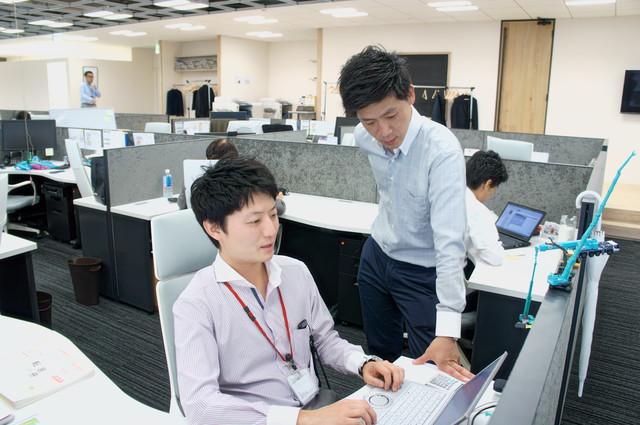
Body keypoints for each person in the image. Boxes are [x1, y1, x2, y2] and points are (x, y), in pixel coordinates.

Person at [174, 157, 404, 425]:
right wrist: (300, 419)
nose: (270, 230)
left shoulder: (295, 272)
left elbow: (325, 340)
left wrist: (363, 363)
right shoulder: (196, 303)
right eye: (254, 221)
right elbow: (201, 406)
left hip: (314, 407)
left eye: (273, 215)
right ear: (214, 228)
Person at [338, 45, 473, 381]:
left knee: (434, 367)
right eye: (370, 121)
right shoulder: (363, 136)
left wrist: (448, 329)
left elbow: (450, 241)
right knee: (380, 356)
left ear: (410, 95)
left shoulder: (441, 151)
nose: (383, 131)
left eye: (391, 115)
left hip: (422, 271)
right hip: (376, 256)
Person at [177, 138, 286, 216]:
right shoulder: (244, 176)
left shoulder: (193, 174)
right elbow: (278, 209)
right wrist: (278, 199)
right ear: (235, 158)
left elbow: (182, 205)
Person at [464, 150, 509, 270]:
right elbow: (495, 258)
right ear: (488, 184)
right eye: (495, 189)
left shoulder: (450, 190)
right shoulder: (476, 209)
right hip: (439, 275)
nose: (492, 194)